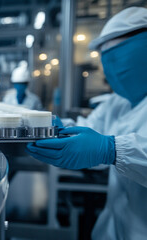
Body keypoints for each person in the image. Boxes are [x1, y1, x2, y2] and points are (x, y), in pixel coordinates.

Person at [26, 7, 147, 239]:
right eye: (106, 59)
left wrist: (110, 149)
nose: (114, 69)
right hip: (115, 227)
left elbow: (104, 145)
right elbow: (91, 130)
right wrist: (59, 128)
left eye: (121, 56)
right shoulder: (117, 103)